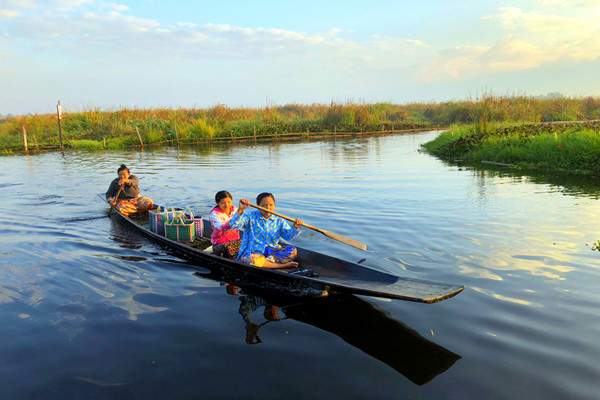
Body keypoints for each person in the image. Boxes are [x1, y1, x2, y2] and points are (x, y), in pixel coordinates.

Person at [229, 192, 303, 269]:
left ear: (274, 205)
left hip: (272, 251)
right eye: (264, 205)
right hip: (253, 252)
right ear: (258, 206)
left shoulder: (279, 220)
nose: (268, 208)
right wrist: (241, 210)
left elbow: (288, 236)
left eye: (271, 205)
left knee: (293, 250)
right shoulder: (249, 216)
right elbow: (233, 225)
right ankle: (282, 265)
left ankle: (267, 262)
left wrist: (295, 227)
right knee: (252, 260)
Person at [208, 190, 241, 258]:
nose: (227, 205)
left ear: (232, 201)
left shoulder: (235, 210)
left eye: (229, 202)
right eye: (223, 203)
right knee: (232, 247)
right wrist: (237, 217)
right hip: (220, 244)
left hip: (235, 241)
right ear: (218, 203)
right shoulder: (214, 214)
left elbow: (245, 220)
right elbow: (221, 227)